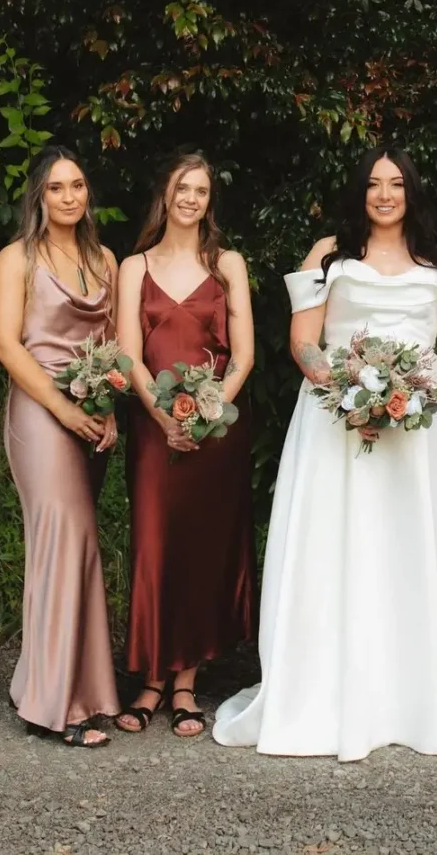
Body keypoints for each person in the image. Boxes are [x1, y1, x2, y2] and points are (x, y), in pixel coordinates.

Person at [212, 147, 437, 760]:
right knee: (334, 548)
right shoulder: (327, 254)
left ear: (412, 190)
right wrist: (348, 389)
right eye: (374, 185)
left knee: (408, 549)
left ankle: (416, 703)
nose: (385, 194)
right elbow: (303, 344)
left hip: (418, 431)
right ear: (359, 193)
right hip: (335, 424)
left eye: (396, 183)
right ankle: (329, 698)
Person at [115, 152, 256, 738]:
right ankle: (149, 676)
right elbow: (127, 353)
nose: (191, 198)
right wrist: (163, 416)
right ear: (165, 195)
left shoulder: (227, 264)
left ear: (209, 200)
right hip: (154, 430)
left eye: (200, 190)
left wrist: (205, 414)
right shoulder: (134, 266)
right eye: (182, 188)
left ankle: (185, 685)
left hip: (215, 430)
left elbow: (244, 354)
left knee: (200, 548)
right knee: (153, 544)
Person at [0, 145, 121, 747]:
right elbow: (7, 347)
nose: (70, 196)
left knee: (80, 541)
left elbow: (113, 349)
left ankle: (74, 687)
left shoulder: (106, 260)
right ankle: (51, 705)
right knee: (59, 537)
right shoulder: (16, 259)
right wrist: (64, 408)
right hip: (40, 411)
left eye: (77, 185)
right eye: (56, 188)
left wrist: (106, 410)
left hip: (90, 414)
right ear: (38, 196)